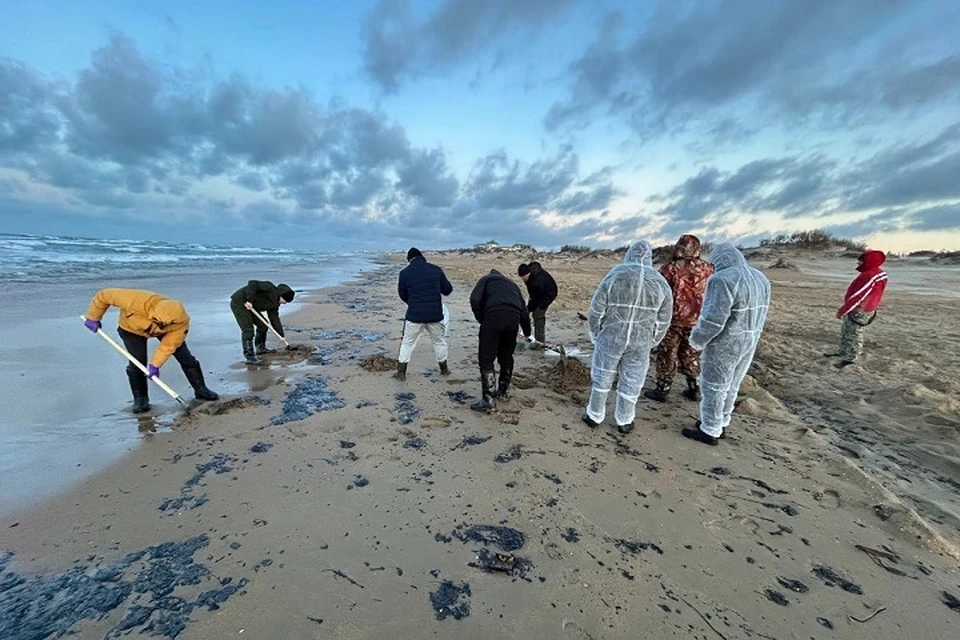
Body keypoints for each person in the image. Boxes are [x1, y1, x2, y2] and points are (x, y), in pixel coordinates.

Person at [682, 243, 770, 446]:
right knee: (732, 384)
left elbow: (713, 319)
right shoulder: (760, 278)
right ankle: (720, 423)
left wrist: (697, 341)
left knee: (714, 386)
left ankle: (709, 429)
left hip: (726, 341)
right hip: (750, 338)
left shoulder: (722, 280)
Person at [583, 240, 672, 434]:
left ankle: (594, 415)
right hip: (641, 340)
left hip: (611, 335)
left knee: (602, 374)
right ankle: (625, 420)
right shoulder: (659, 281)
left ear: (629, 254)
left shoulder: (616, 274)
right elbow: (664, 319)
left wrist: (595, 333)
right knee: (633, 378)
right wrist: (653, 340)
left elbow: (597, 309)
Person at [83, 288, 219, 413]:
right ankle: (140, 399)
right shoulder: (136, 300)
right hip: (131, 329)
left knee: (185, 357)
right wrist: (93, 317)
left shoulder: (180, 322)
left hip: (165, 333)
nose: (159, 324)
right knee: (137, 362)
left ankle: (201, 389)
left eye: (163, 323)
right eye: (157, 321)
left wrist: (155, 365)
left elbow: (168, 346)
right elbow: (104, 295)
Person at [644, 235, 715, 402]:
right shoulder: (709, 269)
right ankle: (695, 388)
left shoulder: (670, 269)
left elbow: (658, 292)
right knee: (692, 354)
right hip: (698, 321)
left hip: (672, 321)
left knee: (668, 354)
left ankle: (663, 389)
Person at [469, 268, 532, 412]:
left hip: (494, 315)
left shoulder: (486, 279)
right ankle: (503, 391)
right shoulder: (512, 285)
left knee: (486, 358)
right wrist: (527, 332)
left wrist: (482, 319)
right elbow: (523, 310)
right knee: (506, 356)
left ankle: (489, 399)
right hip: (513, 318)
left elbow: (474, 299)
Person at [396, 248, 454, 381]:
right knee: (439, 342)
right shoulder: (436, 270)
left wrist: (412, 303)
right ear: (422, 257)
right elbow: (447, 290)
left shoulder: (404, 273)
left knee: (407, 343)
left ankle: (401, 373)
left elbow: (402, 294)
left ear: (409, 259)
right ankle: (444, 369)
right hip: (435, 314)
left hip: (414, 315)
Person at [827, 250, 888, 369]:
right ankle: (844, 352)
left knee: (854, 333)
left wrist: (843, 310)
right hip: (863, 308)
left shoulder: (869, 275)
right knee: (847, 330)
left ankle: (852, 358)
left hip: (860, 310)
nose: (858, 263)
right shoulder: (878, 273)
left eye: (860, 261)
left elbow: (859, 295)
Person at [230, 280, 295, 364]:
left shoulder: (275, 305)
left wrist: (281, 335)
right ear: (281, 295)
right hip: (240, 302)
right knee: (248, 329)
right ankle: (249, 356)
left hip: (252, 307)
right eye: (285, 301)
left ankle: (260, 349)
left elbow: (274, 319)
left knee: (263, 325)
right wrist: (249, 300)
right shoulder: (269, 287)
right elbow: (252, 283)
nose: (285, 303)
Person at [518, 261, 558, 344]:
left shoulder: (538, 281)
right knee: (529, 311)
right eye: (521, 277)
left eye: (524, 277)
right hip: (539, 294)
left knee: (538, 315)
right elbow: (532, 294)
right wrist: (528, 309)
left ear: (528, 273)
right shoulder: (529, 277)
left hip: (548, 294)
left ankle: (540, 342)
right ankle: (531, 336)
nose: (523, 279)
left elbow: (537, 298)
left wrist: (529, 308)